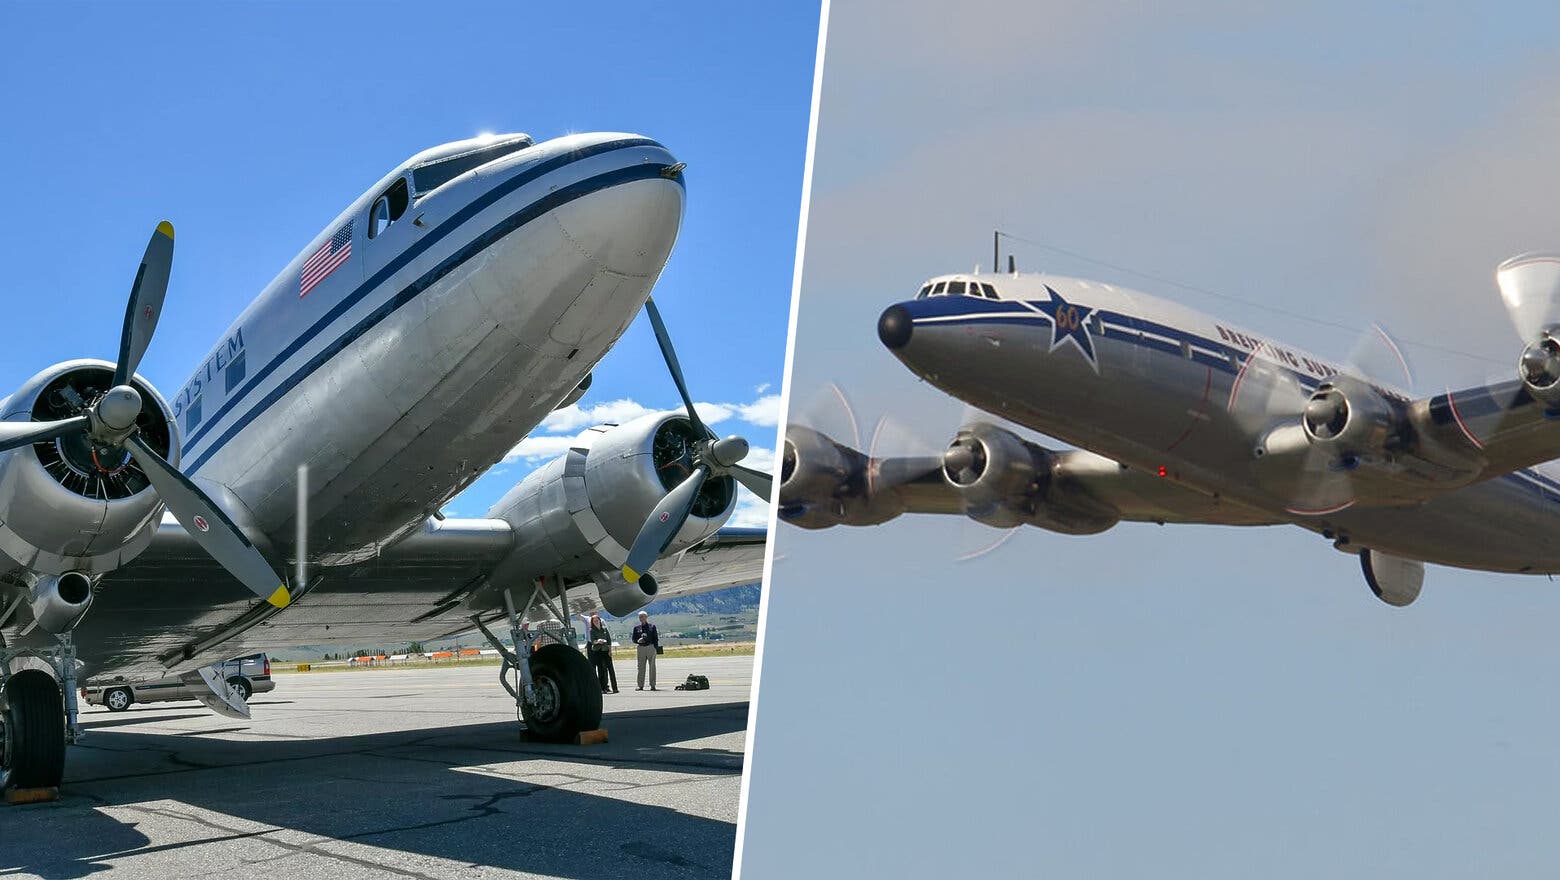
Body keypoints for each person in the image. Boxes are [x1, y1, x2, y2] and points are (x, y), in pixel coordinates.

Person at [580, 612, 618, 693]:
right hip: (598, 651)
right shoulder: (592, 630)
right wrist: (598, 641)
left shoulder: (604, 629)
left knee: (610, 669)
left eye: (597, 620)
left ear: (599, 620)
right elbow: (593, 641)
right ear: (592, 622)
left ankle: (615, 687)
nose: (596, 621)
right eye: (594, 620)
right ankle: (602, 687)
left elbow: (609, 640)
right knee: (601, 669)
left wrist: (610, 650)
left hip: (606, 650)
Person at [632, 610, 659, 691]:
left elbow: (655, 638)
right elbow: (633, 639)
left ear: (646, 617)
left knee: (652, 667)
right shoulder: (636, 628)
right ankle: (640, 685)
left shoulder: (652, 626)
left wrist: (655, 648)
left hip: (650, 647)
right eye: (640, 617)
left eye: (643, 616)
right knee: (640, 667)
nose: (642, 618)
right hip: (641, 648)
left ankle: (653, 685)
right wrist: (638, 641)